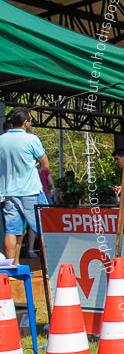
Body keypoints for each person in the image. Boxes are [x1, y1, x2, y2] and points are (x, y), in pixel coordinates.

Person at [0, 107, 48, 265]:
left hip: (8, 192)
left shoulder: (1, 140)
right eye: (31, 120)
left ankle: (11, 266)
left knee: (11, 231)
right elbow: (45, 164)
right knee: (44, 229)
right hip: (31, 191)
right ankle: (50, 267)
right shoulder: (31, 139)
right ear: (25, 122)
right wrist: (35, 167)